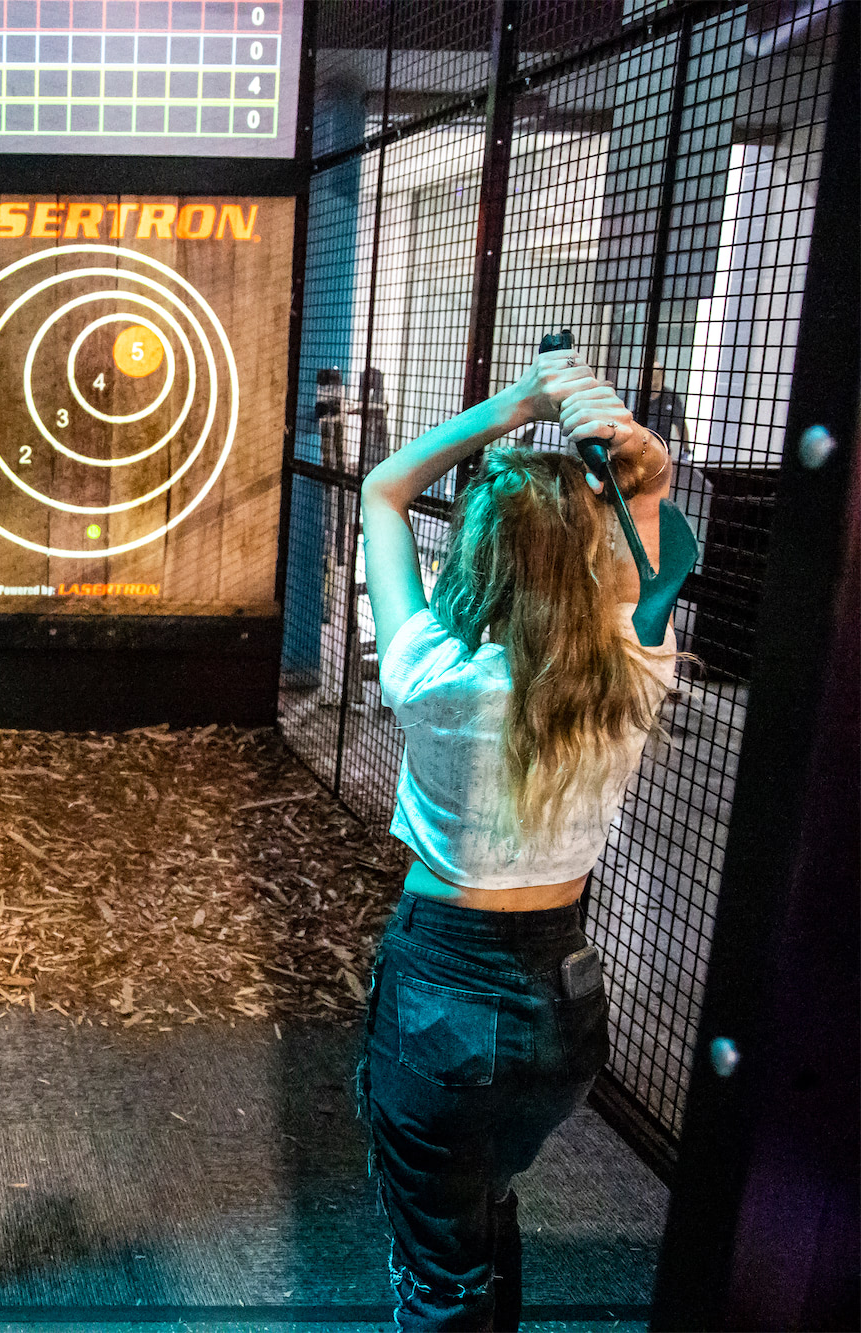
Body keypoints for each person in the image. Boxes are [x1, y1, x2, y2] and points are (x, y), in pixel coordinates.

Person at [356, 348, 697, 1329]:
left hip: (439, 992)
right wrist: (641, 483)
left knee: (437, 1267)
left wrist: (517, 405)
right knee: (485, 1202)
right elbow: (658, 553)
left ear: (474, 554)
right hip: (564, 1000)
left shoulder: (433, 671)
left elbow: (384, 489)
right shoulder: (631, 672)